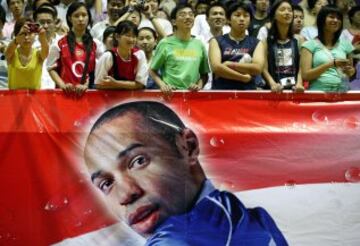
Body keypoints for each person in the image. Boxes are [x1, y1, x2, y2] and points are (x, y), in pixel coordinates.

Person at [84, 100, 288, 246]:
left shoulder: (176, 239)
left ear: (187, 146)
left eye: (138, 161)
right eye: (106, 184)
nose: (126, 194)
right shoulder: (245, 216)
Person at [150, 4, 210, 96]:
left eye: (191, 14)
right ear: (174, 22)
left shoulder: (199, 44)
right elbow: (152, 70)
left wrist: (198, 86)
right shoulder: (165, 43)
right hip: (170, 96)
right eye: (182, 14)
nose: (188, 17)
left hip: (192, 96)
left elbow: (204, 74)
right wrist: (163, 85)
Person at [47, 1, 103, 96]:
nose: (81, 19)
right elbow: (50, 68)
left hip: (89, 96)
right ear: (69, 18)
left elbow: (99, 70)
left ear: (88, 17)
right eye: (76, 16)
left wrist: (86, 85)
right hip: (64, 95)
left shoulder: (96, 44)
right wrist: (62, 85)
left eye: (84, 15)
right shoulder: (59, 43)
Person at [209, 2, 264, 90]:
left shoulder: (256, 43)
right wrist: (242, 77)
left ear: (250, 20)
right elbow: (216, 68)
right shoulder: (216, 41)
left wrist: (228, 64)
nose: (242, 19)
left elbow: (257, 68)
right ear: (228, 19)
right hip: (222, 93)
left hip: (247, 93)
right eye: (237, 15)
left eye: (246, 16)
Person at [301, 5, 355, 92]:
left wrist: (350, 71)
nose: (336, 20)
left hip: (342, 93)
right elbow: (305, 75)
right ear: (322, 20)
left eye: (338, 18)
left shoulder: (346, 45)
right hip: (318, 94)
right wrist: (331, 64)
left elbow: (350, 72)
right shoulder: (309, 45)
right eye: (331, 17)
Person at [261, 0, 304, 92]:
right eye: (282, 9)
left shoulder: (299, 39)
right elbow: (263, 69)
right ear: (274, 15)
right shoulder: (266, 42)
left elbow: (301, 67)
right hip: (273, 90)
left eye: (289, 10)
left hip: (294, 90)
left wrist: (299, 83)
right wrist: (272, 84)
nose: (287, 12)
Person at [95, 20, 148, 89]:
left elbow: (140, 85)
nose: (131, 39)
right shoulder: (108, 56)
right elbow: (99, 85)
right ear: (117, 36)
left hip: (134, 99)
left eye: (134, 36)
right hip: (110, 98)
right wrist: (130, 85)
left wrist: (115, 83)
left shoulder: (139, 54)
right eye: (128, 35)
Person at [6, 18, 49, 89]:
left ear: (35, 35)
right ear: (16, 35)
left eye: (30, 33)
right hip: (13, 99)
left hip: (34, 99)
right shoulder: (12, 52)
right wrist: (18, 37)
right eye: (23, 34)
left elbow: (46, 52)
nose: (26, 37)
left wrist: (43, 37)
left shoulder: (38, 54)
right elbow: (8, 52)